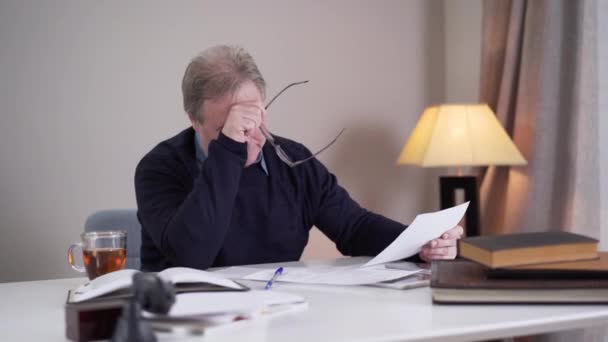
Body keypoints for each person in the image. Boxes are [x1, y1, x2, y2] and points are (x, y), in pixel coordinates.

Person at [135, 45, 463, 272]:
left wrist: (420, 244)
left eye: (253, 118)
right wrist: (229, 150)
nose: (247, 135)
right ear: (194, 120)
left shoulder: (292, 161)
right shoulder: (159, 169)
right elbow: (192, 256)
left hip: (279, 316)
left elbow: (354, 227)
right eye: (227, 127)